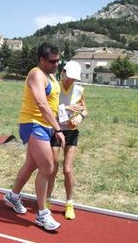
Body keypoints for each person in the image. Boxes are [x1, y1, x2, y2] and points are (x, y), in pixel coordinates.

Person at [4, 42, 65, 231]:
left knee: (31, 165)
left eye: (58, 61)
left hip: (46, 125)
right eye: (52, 61)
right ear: (41, 60)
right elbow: (41, 102)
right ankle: (42, 214)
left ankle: (12, 197)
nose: (56, 64)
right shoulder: (36, 74)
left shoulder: (51, 76)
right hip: (33, 124)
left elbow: (53, 103)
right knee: (47, 167)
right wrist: (58, 129)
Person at [47, 60, 88, 220]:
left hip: (71, 132)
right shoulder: (54, 87)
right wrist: (67, 109)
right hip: (56, 131)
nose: (70, 80)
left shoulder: (79, 90)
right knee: (52, 168)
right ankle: (47, 200)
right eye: (68, 76)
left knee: (68, 170)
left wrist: (79, 117)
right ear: (62, 72)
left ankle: (69, 203)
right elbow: (49, 109)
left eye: (73, 78)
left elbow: (84, 108)